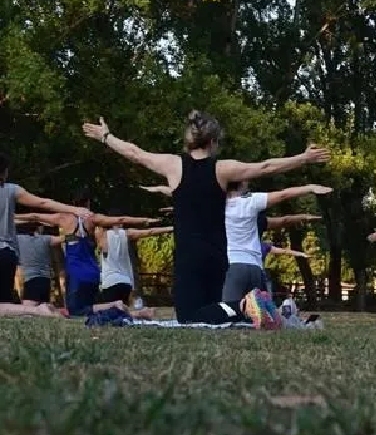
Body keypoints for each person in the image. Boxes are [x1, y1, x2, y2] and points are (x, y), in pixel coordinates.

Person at [82, 112, 331, 321]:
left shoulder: (173, 165)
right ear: (212, 142)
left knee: (189, 318)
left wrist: (106, 137)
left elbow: (135, 153)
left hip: (189, 255)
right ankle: (261, 309)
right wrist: (303, 158)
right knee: (211, 315)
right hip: (216, 255)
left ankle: (245, 306)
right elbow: (265, 167)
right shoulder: (222, 169)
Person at [16, 198, 158, 318]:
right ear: (88, 204)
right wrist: (146, 220)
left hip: (76, 272)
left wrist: (13, 217)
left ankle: (115, 305)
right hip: (92, 270)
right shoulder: (93, 218)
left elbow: (34, 216)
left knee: (75, 311)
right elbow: (121, 219)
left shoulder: (63, 218)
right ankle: (136, 313)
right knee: (89, 308)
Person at [0, 154, 91, 303]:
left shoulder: (21, 239)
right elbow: (42, 203)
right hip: (12, 258)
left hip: (28, 279)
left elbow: (33, 217)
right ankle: (42, 310)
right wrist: (74, 211)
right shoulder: (44, 239)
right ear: (4, 172)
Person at [222, 181, 331, 303]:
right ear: (240, 184)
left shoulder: (216, 205)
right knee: (260, 311)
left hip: (233, 265)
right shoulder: (251, 202)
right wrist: (310, 188)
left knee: (230, 309)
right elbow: (283, 196)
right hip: (256, 268)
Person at [95, 213, 174, 304]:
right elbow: (150, 232)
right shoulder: (126, 234)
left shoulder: (102, 237)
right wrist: (170, 228)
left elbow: (98, 235)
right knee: (123, 309)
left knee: (111, 310)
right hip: (126, 282)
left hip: (110, 281)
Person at [15, 222, 64, 306]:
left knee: (29, 310)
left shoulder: (18, 239)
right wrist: (79, 235)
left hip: (31, 280)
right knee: (43, 308)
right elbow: (63, 239)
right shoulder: (45, 239)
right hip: (46, 281)